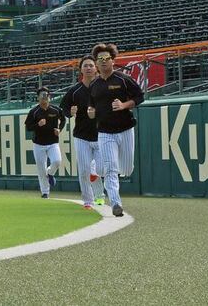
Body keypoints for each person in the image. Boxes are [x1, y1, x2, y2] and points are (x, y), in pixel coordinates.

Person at [88, 42, 144, 218]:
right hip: (105, 132)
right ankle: (116, 203)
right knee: (111, 169)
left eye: (106, 58)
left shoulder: (123, 79)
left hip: (125, 130)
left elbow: (140, 96)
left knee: (126, 169)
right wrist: (91, 112)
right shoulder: (94, 85)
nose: (103, 62)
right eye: (100, 59)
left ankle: (96, 168)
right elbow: (91, 106)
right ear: (96, 63)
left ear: (113, 60)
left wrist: (124, 105)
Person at [59, 56, 106, 209]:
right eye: (85, 66)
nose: (88, 68)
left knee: (99, 168)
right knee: (84, 170)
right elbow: (64, 109)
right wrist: (70, 112)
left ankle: (100, 195)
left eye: (91, 65)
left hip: (102, 134)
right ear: (81, 69)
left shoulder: (103, 87)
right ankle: (88, 200)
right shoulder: (74, 91)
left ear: (96, 68)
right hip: (81, 136)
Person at [24, 87, 66, 198]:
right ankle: (45, 192)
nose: (44, 98)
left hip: (53, 142)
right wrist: (38, 125)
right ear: (38, 98)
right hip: (38, 143)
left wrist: (59, 129)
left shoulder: (56, 110)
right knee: (41, 169)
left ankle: (50, 173)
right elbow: (28, 127)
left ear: (49, 97)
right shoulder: (34, 112)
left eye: (46, 96)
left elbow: (63, 119)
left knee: (57, 161)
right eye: (41, 96)